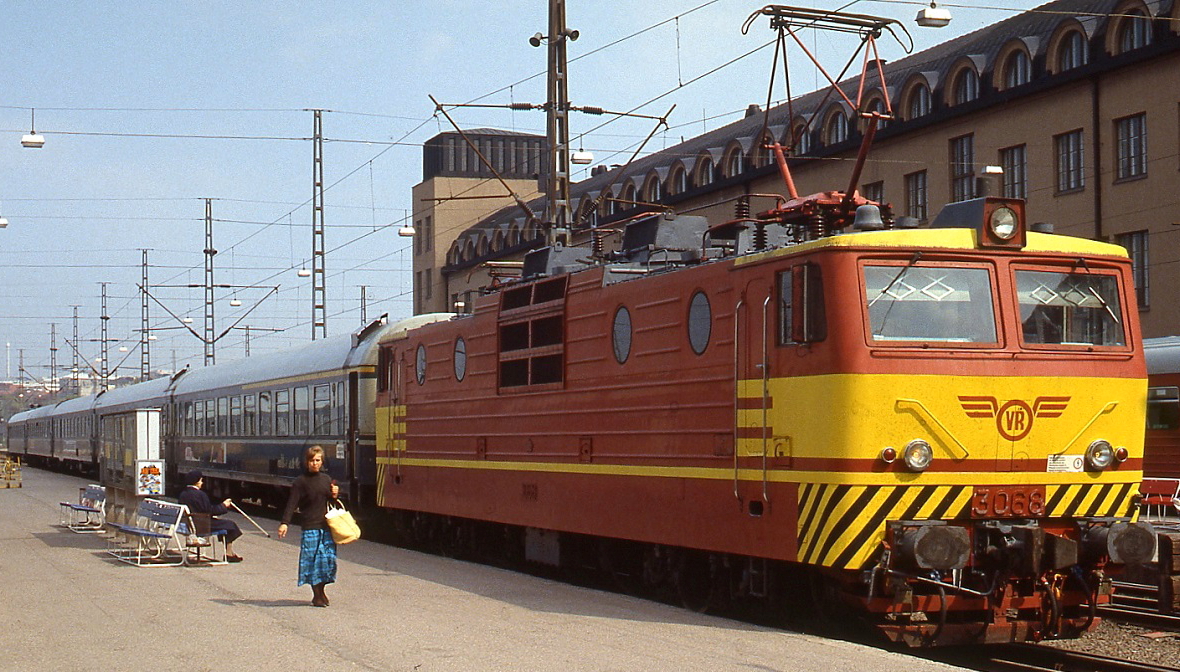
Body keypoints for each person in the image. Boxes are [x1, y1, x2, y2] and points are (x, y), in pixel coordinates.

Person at [277, 445, 339, 607]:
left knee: (326, 561)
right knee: (313, 562)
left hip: (325, 526)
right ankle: (317, 595)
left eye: (318, 460)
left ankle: (322, 591)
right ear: (306, 462)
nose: (315, 463)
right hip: (310, 526)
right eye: (311, 460)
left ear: (322, 462)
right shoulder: (300, 482)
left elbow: (331, 502)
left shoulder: (326, 479)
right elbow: (292, 504)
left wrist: (334, 495)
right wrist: (285, 523)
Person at [177, 470, 244, 562]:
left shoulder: (183, 494)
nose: (202, 483)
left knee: (225, 524)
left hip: (191, 523)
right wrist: (224, 505)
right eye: (201, 480)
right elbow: (210, 510)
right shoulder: (200, 494)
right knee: (230, 525)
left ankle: (230, 553)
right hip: (201, 525)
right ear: (196, 482)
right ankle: (229, 553)